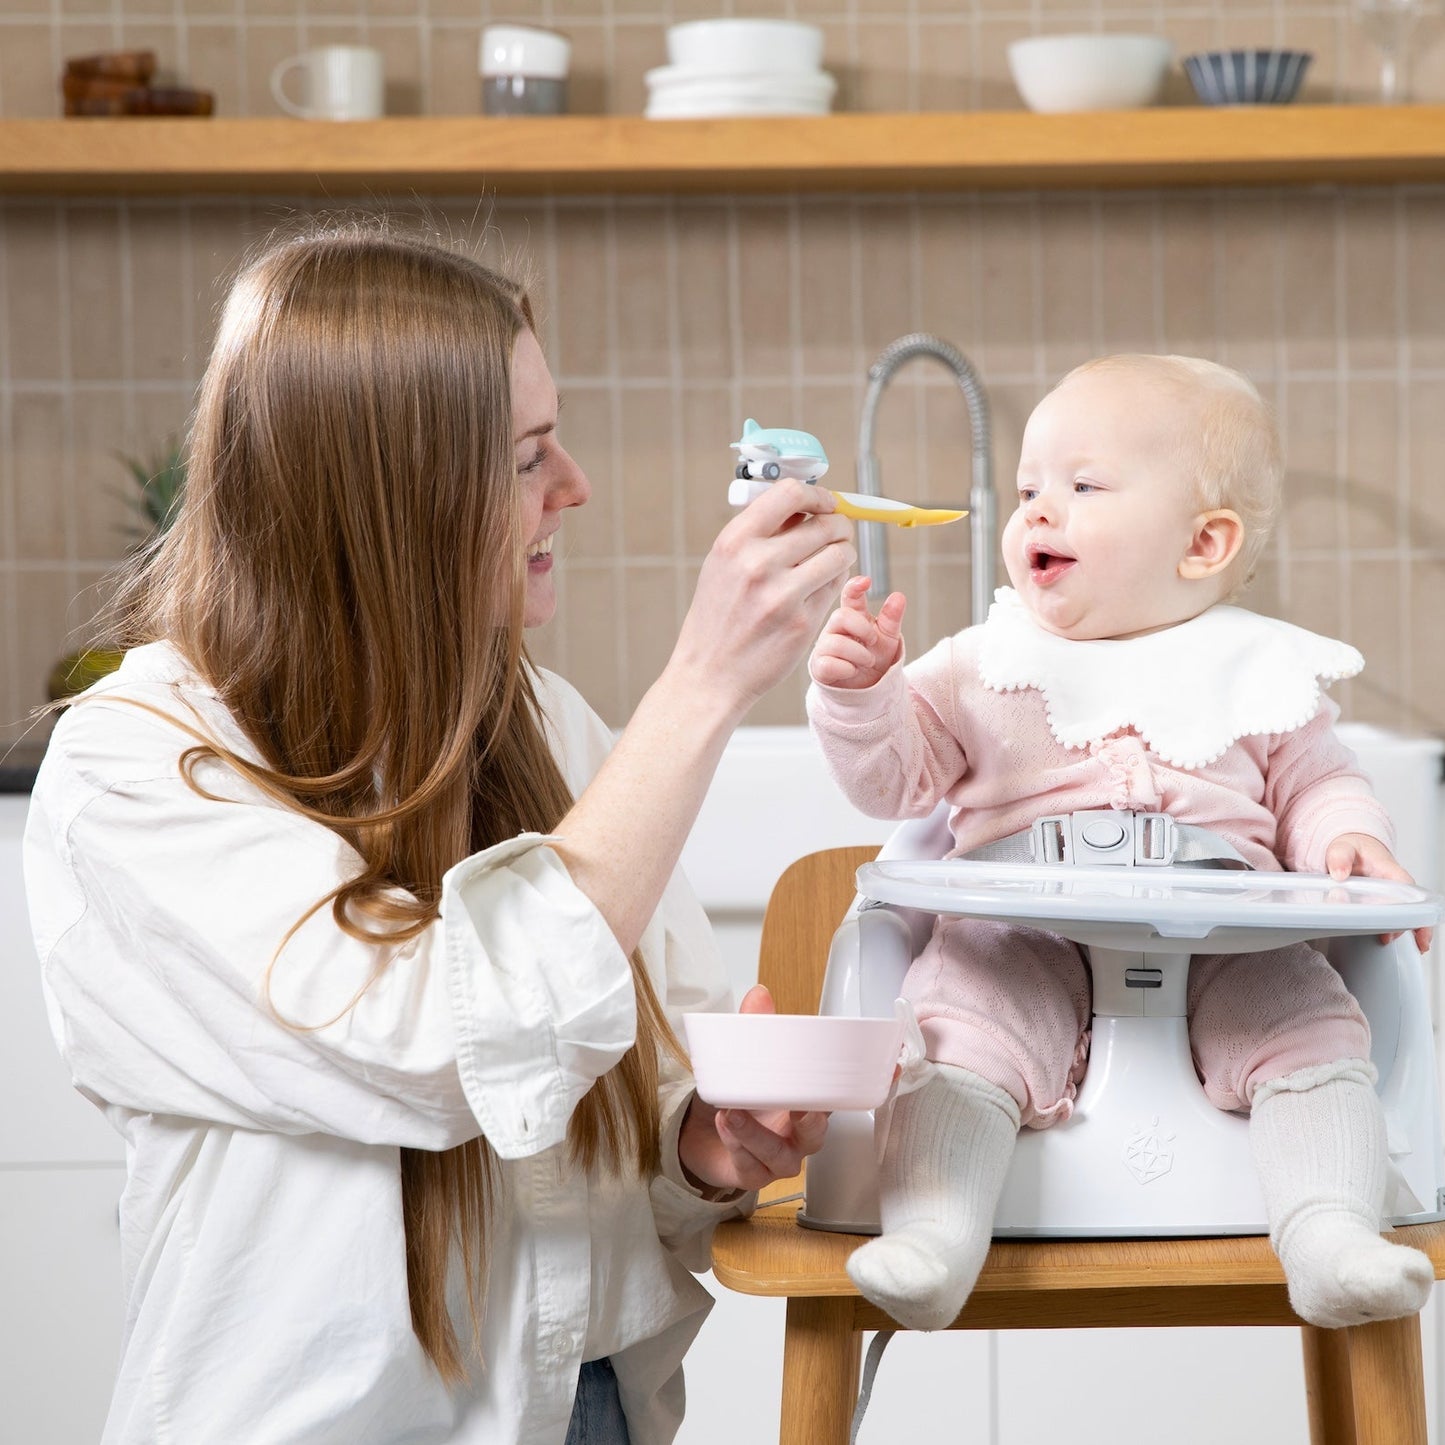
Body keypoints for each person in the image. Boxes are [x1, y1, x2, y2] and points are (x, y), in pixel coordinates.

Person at [23, 222, 855, 1445]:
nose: (571, 485)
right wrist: (702, 683)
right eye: (527, 456)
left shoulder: (549, 727)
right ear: (394, 489)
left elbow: (615, 1095)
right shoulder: (138, 762)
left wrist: (701, 1141)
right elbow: (433, 1043)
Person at [806, 352, 1436, 1334]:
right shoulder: (983, 662)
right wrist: (858, 695)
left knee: (1311, 1029)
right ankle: (933, 1233)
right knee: (959, 1030)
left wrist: (1349, 838)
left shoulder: (1253, 670)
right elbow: (890, 780)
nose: (1035, 511)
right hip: (1018, 938)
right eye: (1025, 489)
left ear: (1202, 543)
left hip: (1227, 940)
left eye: (1081, 484)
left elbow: (1317, 782)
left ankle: (1332, 1232)